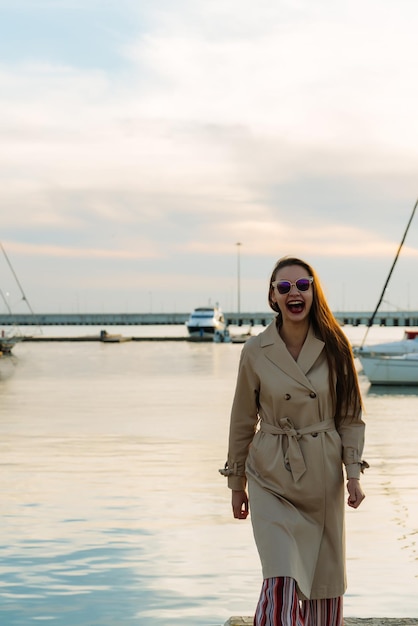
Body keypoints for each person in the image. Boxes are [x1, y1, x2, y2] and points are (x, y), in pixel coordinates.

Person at [220, 256, 368, 626]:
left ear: (314, 292)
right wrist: (236, 483)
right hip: (270, 474)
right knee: (281, 576)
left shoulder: (336, 346)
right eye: (284, 287)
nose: (294, 293)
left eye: (302, 285)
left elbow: (349, 416)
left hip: (321, 474)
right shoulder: (255, 351)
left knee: (323, 585)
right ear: (273, 297)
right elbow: (242, 420)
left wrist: (353, 473)